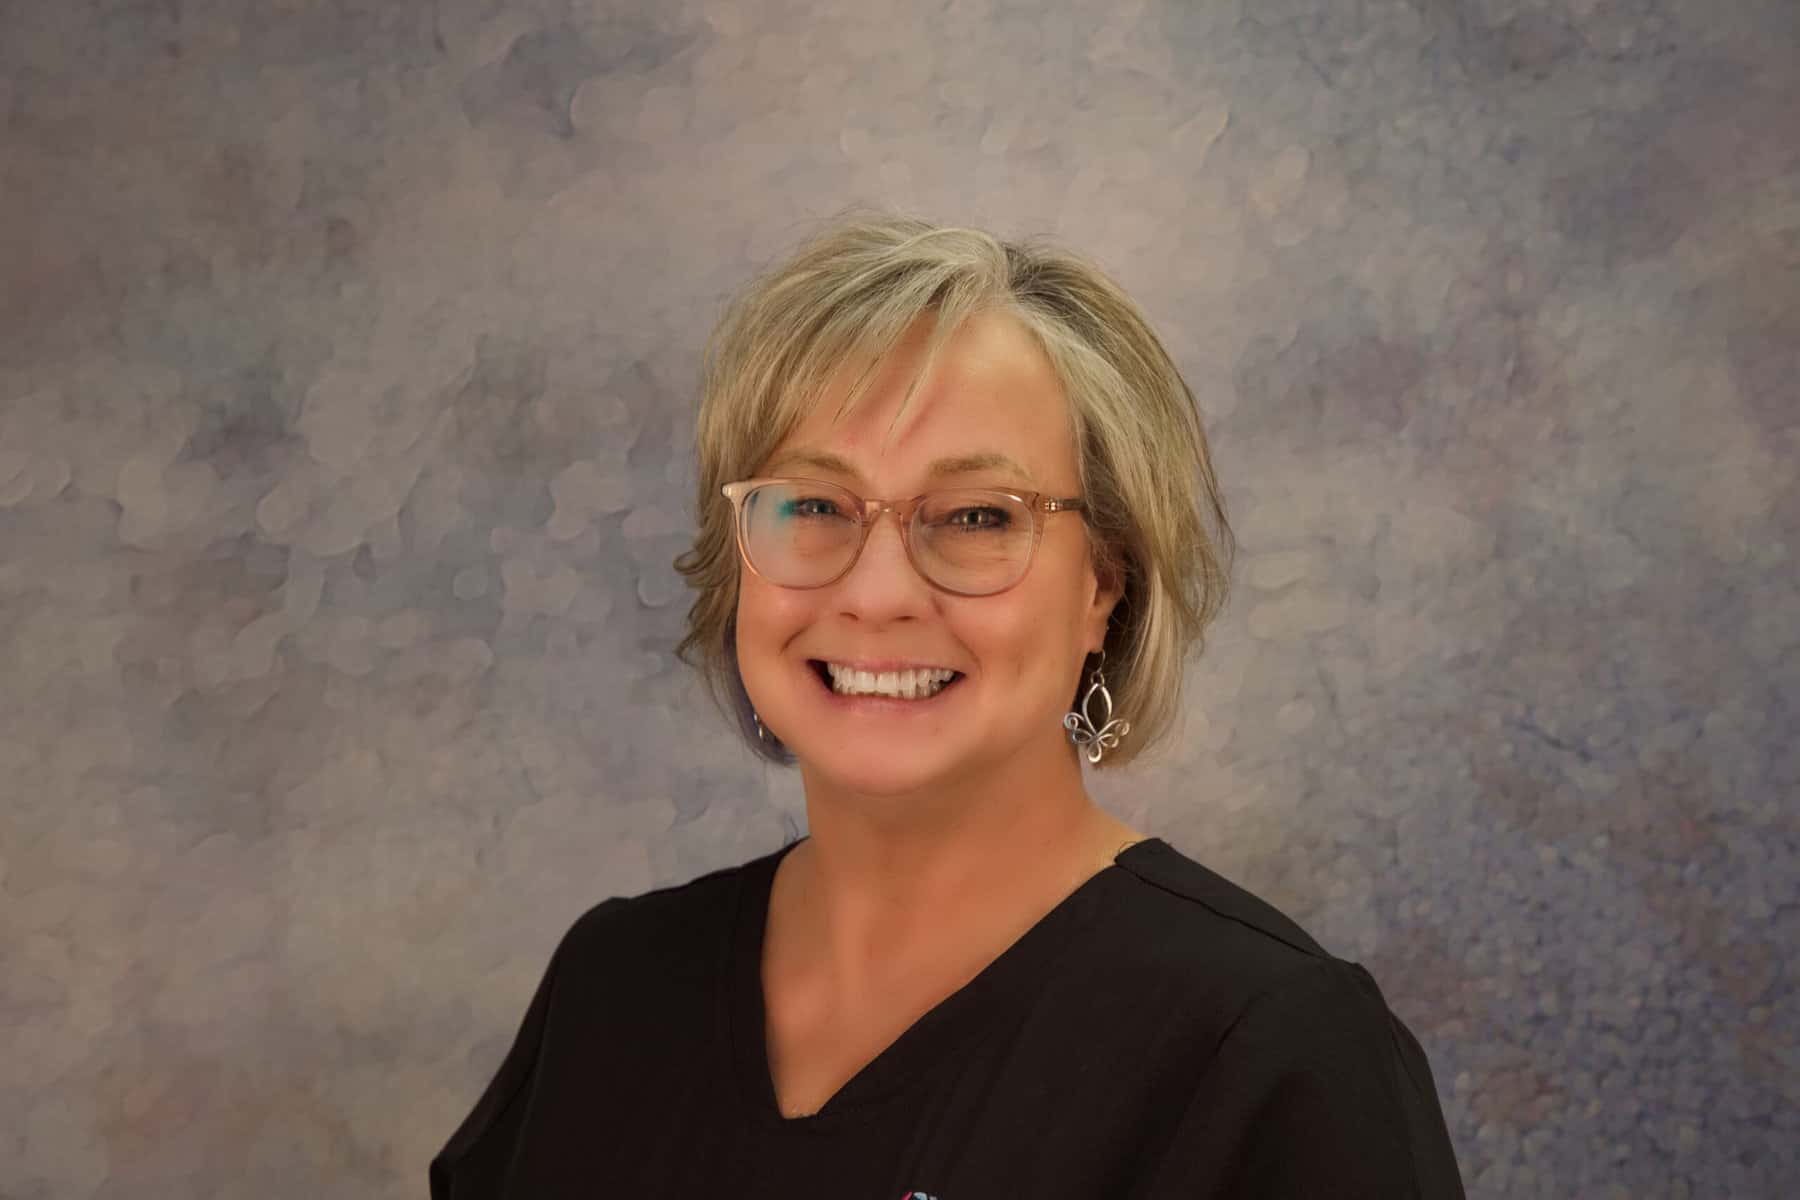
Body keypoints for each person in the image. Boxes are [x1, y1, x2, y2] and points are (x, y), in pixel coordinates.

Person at [429, 212, 1465, 1197]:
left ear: (1104, 582)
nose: (878, 594)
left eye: (975, 516)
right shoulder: (616, 987)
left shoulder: (1273, 1050)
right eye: (816, 507)